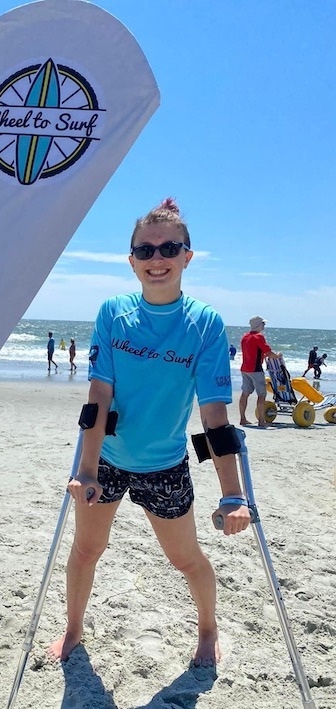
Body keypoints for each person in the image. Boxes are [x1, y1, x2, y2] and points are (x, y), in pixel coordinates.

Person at [48, 198, 250, 669]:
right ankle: (74, 628)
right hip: (109, 460)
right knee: (86, 549)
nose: (157, 259)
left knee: (186, 559)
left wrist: (233, 495)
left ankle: (208, 628)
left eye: (169, 248)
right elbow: (98, 399)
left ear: (187, 256)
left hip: (164, 464)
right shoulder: (114, 314)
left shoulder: (204, 324)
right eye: (145, 250)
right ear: (132, 260)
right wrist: (86, 470)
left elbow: (214, 418)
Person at [239, 316, 281, 427]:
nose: (264, 325)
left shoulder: (245, 337)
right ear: (258, 324)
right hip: (256, 370)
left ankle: (243, 419)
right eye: (263, 323)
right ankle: (262, 421)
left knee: (245, 393)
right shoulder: (259, 337)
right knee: (261, 395)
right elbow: (268, 352)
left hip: (245, 368)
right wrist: (277, 356)